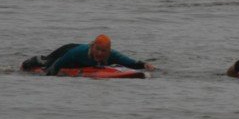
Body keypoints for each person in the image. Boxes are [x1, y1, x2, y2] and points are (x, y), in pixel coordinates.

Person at [26, 35, 155, 76]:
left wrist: (145, 65)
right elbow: (57, 65)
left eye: (104, 51)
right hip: (67, 50)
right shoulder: (76, 54)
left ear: (109, 51)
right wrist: (49, 74)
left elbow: (131, 63)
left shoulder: (113, 55)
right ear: (92, 46)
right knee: (45, 63)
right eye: (97, 49)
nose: (100, 53)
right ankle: (26, 64)